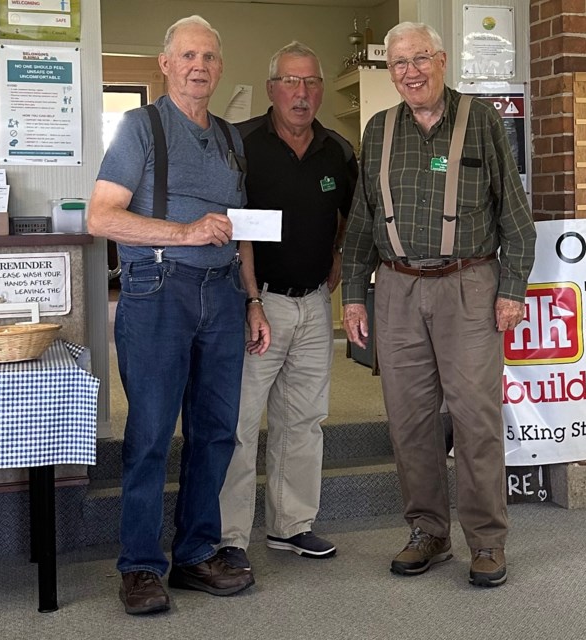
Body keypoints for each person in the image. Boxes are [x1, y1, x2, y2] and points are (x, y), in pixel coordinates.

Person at [339, 21, 536, 588]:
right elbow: (360, 224)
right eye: (398, 63)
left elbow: (516, 219)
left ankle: (487, 542)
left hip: (469, 285)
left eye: (420, 58)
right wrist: (354, 295)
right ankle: (428, 531)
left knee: (476, 419)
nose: (410, 71)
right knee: (408, 421)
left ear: (442, 60)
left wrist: (512, 289)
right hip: (395, 290)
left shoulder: (482, 122)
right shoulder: (378, 130)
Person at [87, 15, 259, 615]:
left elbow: (244, 234)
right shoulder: (138, 127)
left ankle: (194, 554)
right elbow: (102, 217)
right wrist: (184, 232)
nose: (199, 67)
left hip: (224, 296)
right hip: (156, 289)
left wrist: (254, 299)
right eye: (187, 55)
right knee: (152, 433)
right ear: (165, 64)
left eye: (209, 57)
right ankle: (138, 565)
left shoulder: (233, 139)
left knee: (216, 431)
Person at [216, 41, 358, 576]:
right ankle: (230, 536)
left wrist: (340, 251)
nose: (302, 94)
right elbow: (231, 227)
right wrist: (251, 299)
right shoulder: (242, 144)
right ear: (272, 87)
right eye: (291, 82)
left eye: (311, 83)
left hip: (315, 305)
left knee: (305, 420)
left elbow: (352, 212)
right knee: (240, 422)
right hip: (258, 302)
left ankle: (291, 525)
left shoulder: (337, 150)